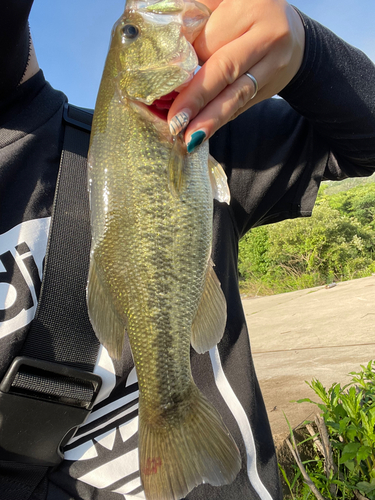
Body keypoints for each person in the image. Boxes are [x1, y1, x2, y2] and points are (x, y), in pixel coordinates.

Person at [0, 0, 374, 499]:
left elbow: (363, 144)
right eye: (133, 33)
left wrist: (307, 52)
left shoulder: (208, 130)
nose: (142, 21)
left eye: (128, 34)